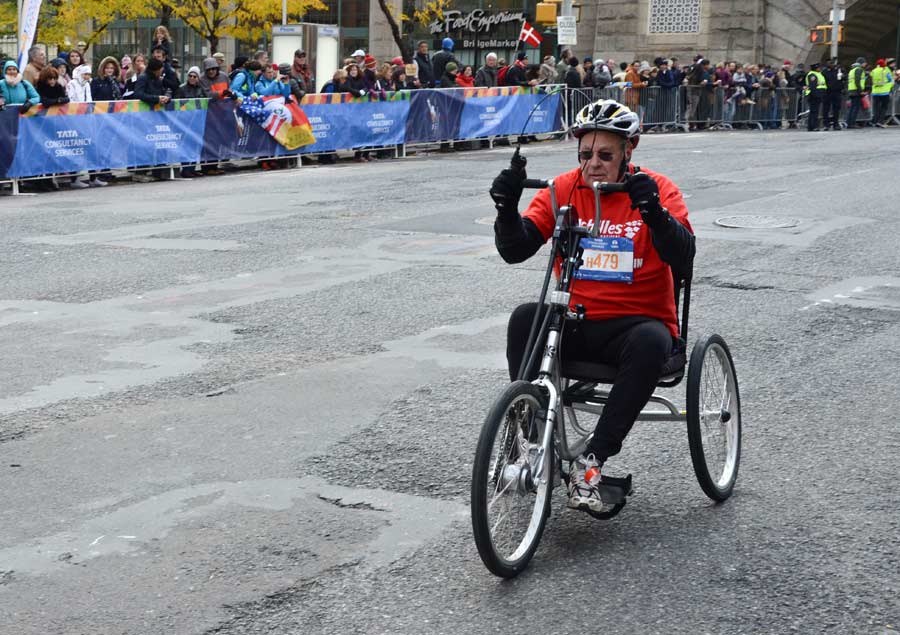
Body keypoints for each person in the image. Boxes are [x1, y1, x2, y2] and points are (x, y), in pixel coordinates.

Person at [488, 98, 694, 511]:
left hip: (636, 328)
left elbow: (684, 254)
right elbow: (516, 249)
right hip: (578, 322)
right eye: (585, 155)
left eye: (605, 155)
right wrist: (506, 209)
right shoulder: (566, 189)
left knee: (652, 340)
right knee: (525, 318)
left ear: (627, 152)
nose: (594, 164)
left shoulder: (658, 188)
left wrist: (654, 213)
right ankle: (531, 440)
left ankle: (592, 460)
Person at [846, 57, 869, 129]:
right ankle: (852, 124)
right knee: (855, 108)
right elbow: (857, 81)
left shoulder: (852, 70)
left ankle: (849, 123)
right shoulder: (859, 70)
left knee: (852, 108)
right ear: (861, 63)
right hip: (856, 91)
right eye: (865, 62)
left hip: (852, 90)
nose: (865, 64)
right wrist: (861, 91)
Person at [870, 58, 894, 127]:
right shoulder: (885, 71)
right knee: (884, 107)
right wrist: (890, 85)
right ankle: (880, 122)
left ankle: (875, 121)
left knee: (876, 108)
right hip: (884, 92)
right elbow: (890, 80)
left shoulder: (873, 71)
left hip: (875, 92)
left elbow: (871, 76)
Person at [821, 58, 843, 131]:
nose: (831, 64)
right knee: (826, 109)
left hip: (836, 92)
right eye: (830, 63)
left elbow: (842, 80)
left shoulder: (838, 71)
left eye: (832, 63)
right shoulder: (824, 72)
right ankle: (826, 124)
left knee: (836, 109)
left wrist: (842, 76)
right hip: (827, 93)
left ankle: (835, 123)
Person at [804, 62, 827, 131]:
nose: (820, 68)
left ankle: (812, 126)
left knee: (815, 111)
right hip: (814, 94)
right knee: (814, 111)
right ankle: (813, 126)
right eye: (819, 67)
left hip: (818, 94)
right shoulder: (812, 75)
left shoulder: (818, 74)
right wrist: (816, 95)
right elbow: (813, 86)